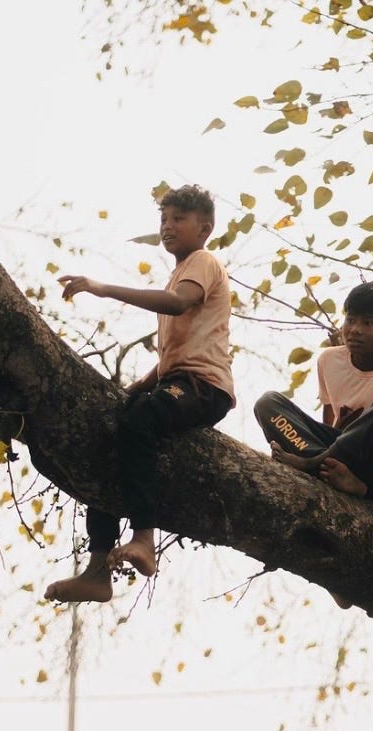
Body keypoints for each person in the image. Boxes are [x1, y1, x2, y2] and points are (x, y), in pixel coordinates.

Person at [44, 184, 235, 603]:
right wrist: (134, 389)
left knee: (139, 421)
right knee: (111, 434)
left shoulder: (202, 262)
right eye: (163, 219)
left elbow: (176, 304)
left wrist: (103, 288)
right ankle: (97, 571)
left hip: (204, 389)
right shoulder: (182, 269)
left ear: (204, 228)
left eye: (178, 219)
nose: (167, 227)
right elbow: (172, 361)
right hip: (177, 382)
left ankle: (144, 539)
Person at [254, 281, 373, 527]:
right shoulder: (329, 360)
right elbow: (329, 416)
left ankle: (316, 465)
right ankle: (322, 465)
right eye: (350, 320)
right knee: (268, 403)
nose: (355, 330)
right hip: (341, 462)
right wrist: (323, 449)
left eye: (369, 323)